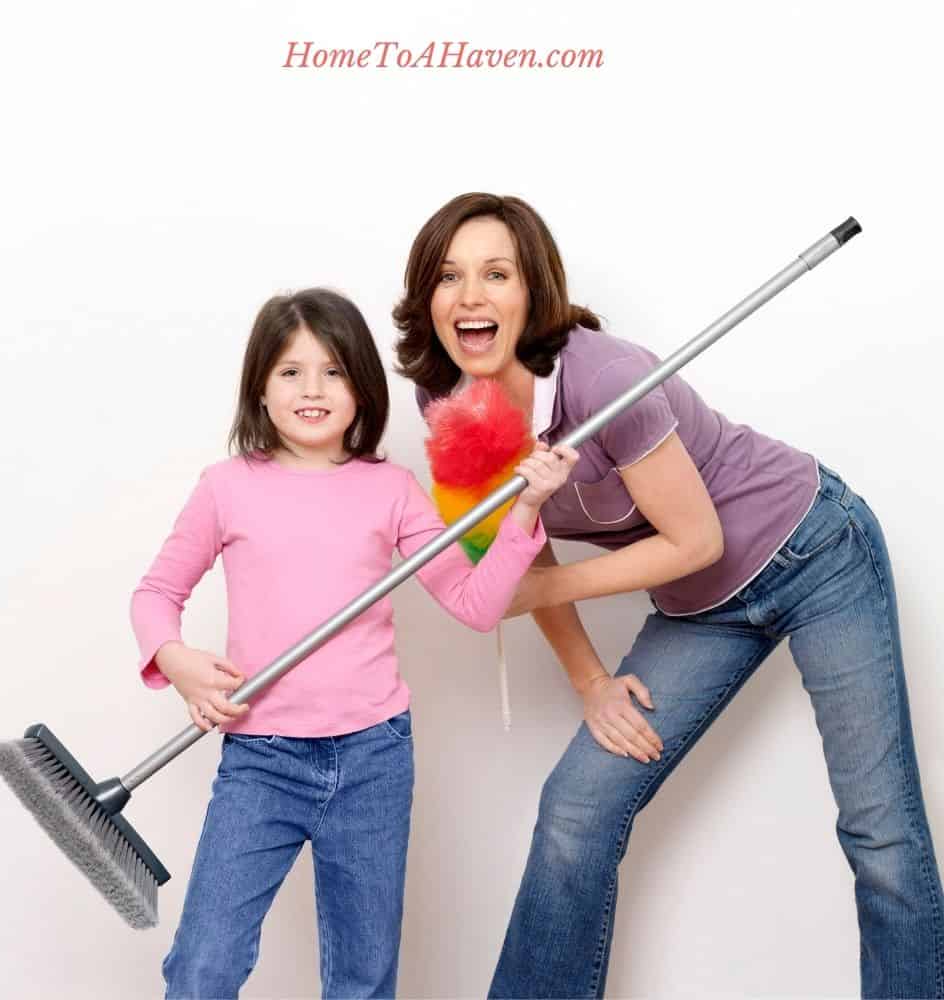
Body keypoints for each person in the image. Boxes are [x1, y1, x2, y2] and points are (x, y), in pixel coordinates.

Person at [394, 193, 944, 999]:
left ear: (533, 290)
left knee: (879, 832)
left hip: (816, 551)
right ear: (427, 299)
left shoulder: (606, 377)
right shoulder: (453, 406)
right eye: (449, 277)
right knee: (576, 812)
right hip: (701, 611)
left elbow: (696, 541)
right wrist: (589, 681)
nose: (471, 295)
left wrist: (540, 583)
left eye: (496, 273)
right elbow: (524, 548)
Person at [130, 287, 577, 999]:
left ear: (362, 386)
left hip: (373, 759)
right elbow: (155, 595)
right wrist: (177, 662)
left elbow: (474, 603)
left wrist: (525, 509)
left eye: (333, 371)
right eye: (290, 371)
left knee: (363, 981)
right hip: (260, 761)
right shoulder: (226, 488)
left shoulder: (392, 490)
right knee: (202, 966)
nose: (313, 389)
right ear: (260, 389)